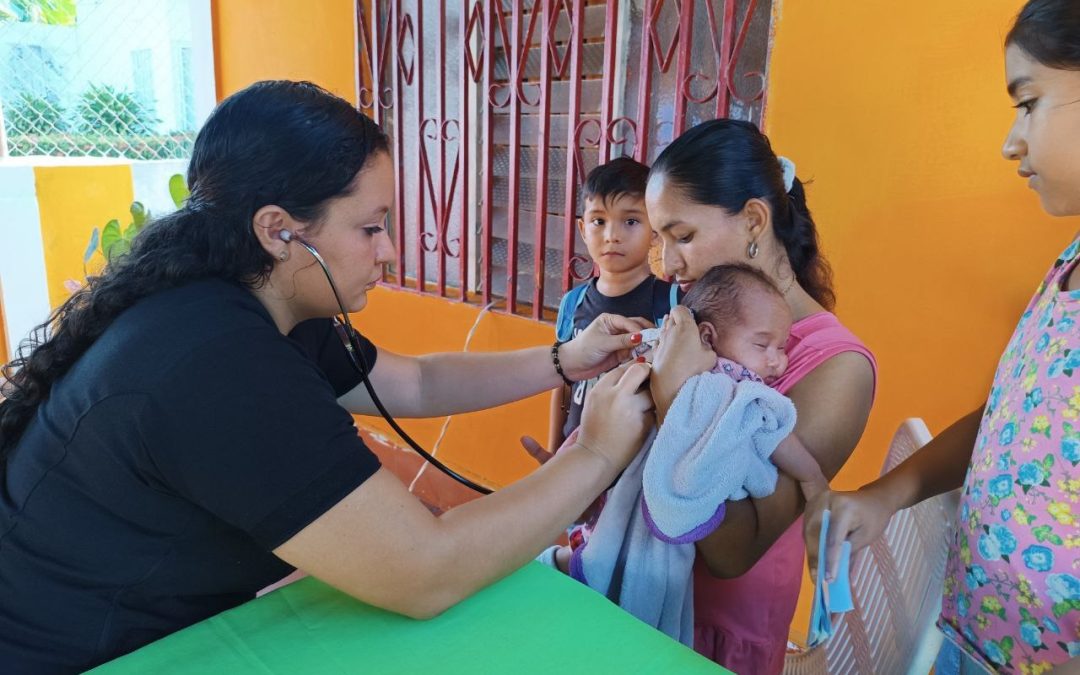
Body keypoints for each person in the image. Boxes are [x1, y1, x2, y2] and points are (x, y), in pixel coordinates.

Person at [0, 80, 655, 674]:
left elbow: (415, 384)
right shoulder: (218, 362)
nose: (389, 251)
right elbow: (424, 570)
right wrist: (597, 451)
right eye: (371, 227)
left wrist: (567, 358)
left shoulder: (261, 302)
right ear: (279, 231)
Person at [804, 2, 1080, 672]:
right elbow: (1016, 422)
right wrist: (886, 494)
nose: (1011, 142)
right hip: (975, 637)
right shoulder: (1068, 263)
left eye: (1029, 101)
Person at [645, 119, 878, 673]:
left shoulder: (838, 369)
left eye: (683, 236)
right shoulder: (707, 323)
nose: (670, 265)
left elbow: (733, 552)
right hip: (647, 590)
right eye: (660, 241)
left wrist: (668, 399)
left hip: (714, 627)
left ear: (754, 219)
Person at [547, 156, 678, 451]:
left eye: (630, 221)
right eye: (599, 221)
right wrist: (555, 451)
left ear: (655, 231)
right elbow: (562, 380)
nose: (612, 236)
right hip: (574, 452)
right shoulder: (573, 302)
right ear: (583, 230)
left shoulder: (672, 305)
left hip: (635, 464)